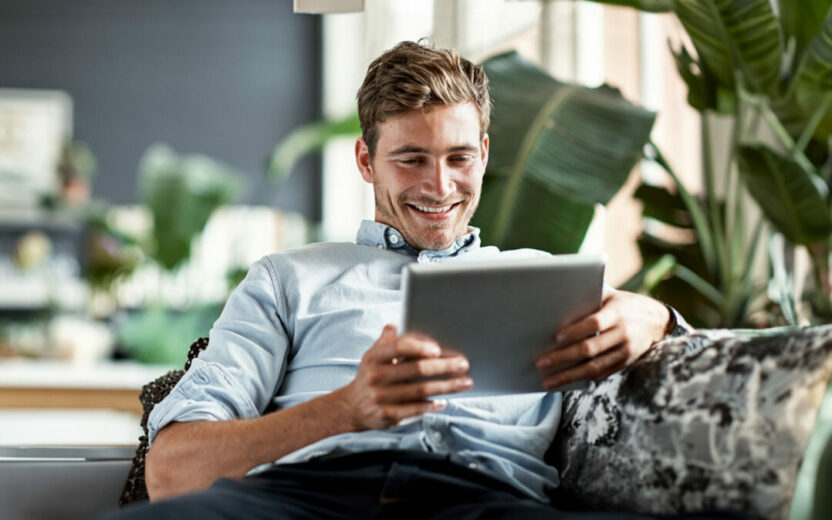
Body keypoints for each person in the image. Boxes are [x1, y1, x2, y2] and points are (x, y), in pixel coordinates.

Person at [107, 41, 698, 519]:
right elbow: (171, 472)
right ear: (366, 161)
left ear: (485, 155)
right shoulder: (287, 280)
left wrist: (656, 316)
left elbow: (686, 356)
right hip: (304, 498)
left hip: (487, 502)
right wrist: (346, 410)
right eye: (411, 159)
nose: (439, 187)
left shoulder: (546, 279)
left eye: (459, 158)